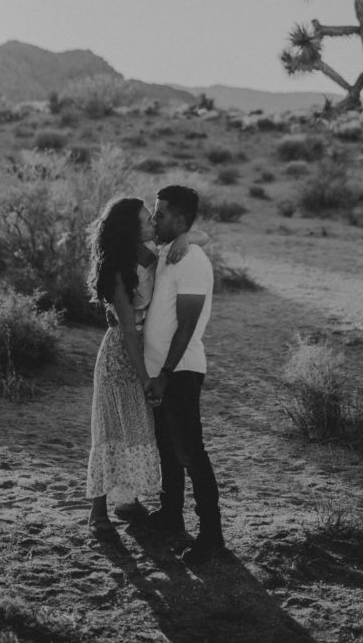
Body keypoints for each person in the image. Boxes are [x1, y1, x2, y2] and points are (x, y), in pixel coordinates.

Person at [85, 196, 192, 540]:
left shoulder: (150, 252)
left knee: (138, 430)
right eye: (147, 219)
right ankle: (97, 512)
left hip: (148, 349)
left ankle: (126, 503)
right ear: (131, 229)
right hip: (121, 356)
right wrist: (145, 376)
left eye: (152, 218)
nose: (153, 224)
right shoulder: (119, 269)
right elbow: (128, 330)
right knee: (111, 430)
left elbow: (202, 236)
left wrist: (187, 238)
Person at [143, 184, 225, 567]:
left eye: (159, 214)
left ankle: (212, 537)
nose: (152, 219)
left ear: (177, 219)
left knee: (191, 454)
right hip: (160, 370)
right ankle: (170, 515)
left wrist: (165, 373)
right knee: (168, 450)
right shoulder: (167, 250)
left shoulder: (190, 260)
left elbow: (187, 326)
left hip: (180, 370)